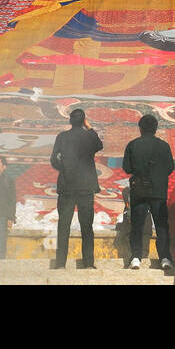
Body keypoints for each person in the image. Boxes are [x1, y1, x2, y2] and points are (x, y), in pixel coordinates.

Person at [50, 107, 102, 269]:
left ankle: (60, 264)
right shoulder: (89, 137)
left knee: (63, 226)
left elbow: (53, 160)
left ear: (70, 121)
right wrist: (90, 127)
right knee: (87, 226)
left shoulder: (62, 137)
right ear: (83, 121)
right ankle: (88, 263)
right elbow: (99, 145)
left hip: (67, 186)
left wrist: (65, 168)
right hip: (85, 187)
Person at [122, 114, 174, 271]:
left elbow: (127, 168)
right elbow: (170, 168)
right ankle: (164, 258)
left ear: (140, 128)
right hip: (158, 191)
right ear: (156, 129)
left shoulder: (132, 145)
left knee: (137, 225)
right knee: (161, 226)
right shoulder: (164, 146)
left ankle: (136, 257)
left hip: (139, 191)